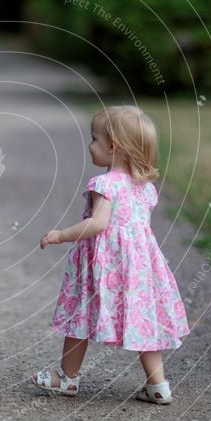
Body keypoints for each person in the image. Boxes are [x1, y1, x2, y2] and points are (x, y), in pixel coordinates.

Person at [30, 105, 190, 404]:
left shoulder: (103, 185)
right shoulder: (145, 188)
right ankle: (158, 386)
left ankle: (68, 378)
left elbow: (99, 223)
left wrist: (61, 235)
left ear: (114, 146)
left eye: (94, 139)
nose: (90, 145)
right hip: (139, 268)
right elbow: (140, 232)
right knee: (144, 320)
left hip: (103, 266)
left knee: (80, 314)